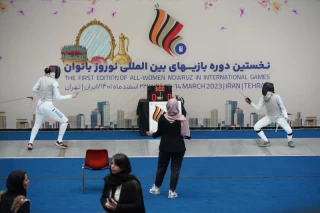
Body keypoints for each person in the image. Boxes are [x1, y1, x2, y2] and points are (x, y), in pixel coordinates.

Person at [146, 98, 191, 199]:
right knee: (175, 170)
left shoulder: (162, 118)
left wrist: (151, 134)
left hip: (164, 147)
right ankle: (172, 191)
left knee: (161, 168)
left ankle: (156, 188)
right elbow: (185, 134)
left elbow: (159, 133)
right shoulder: (182, 119)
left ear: (168, 106)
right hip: (179, 148)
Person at [27, 65, 78, 150]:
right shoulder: (54, 82)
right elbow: (58, 97)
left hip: (39, 105)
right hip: (48, 106)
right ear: (55, 73)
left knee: (37, 124)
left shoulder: (41, 78)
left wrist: (40, 96)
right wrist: (71, 96)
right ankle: (59, 141)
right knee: (65, 121)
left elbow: (34, 89)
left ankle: (30, 143)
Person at [245, 82, 294, 148]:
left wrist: (285, 116)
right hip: (269, 116)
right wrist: (250, 102)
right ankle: (266, 141)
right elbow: (257, 108)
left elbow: (283, 107)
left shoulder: (277, 97)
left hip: (279, 116)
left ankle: (290, 141)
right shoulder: (262, 98)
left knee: (289, 130)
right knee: (256, 127)